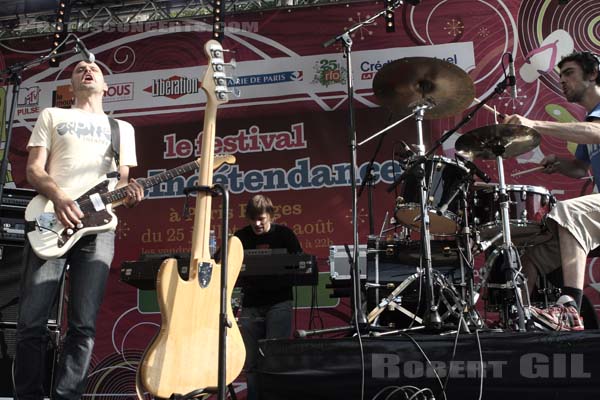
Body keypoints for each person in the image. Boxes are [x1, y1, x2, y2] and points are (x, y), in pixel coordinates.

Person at [14, 60, 144, 399]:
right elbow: (33, 170)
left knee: (83, 325)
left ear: (106, 87)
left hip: (98, 230)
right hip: (51, 221)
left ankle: (67, 395)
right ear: (71, 84)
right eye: (79, 68)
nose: (87, 69)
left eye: (95, 69)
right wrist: (59, 198)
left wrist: (129, 196)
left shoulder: (122, 129)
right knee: (31, 323)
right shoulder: (52, 116)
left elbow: (121, 185)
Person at [502, 51, 600, 331]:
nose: (563, 81)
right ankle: (519, 321)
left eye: (569, 73)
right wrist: (560, 164)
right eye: (560, 76)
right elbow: (581, 168)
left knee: (568, 211)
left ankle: (570, 308)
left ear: (593, 73)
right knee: (534, 248)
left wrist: (534, 124)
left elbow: (596, 134)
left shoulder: (594, 121)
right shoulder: (588, 118)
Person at [234, 194, 302, 400]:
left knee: (275, 357)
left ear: (271, 215)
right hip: (251, 304)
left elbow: (301, 262)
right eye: (253, 219)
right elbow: (221, 261)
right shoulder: (240, 237)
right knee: (252, 362)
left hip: (279, 302)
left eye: (261, 219)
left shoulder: (285, 235)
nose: (257, 224)